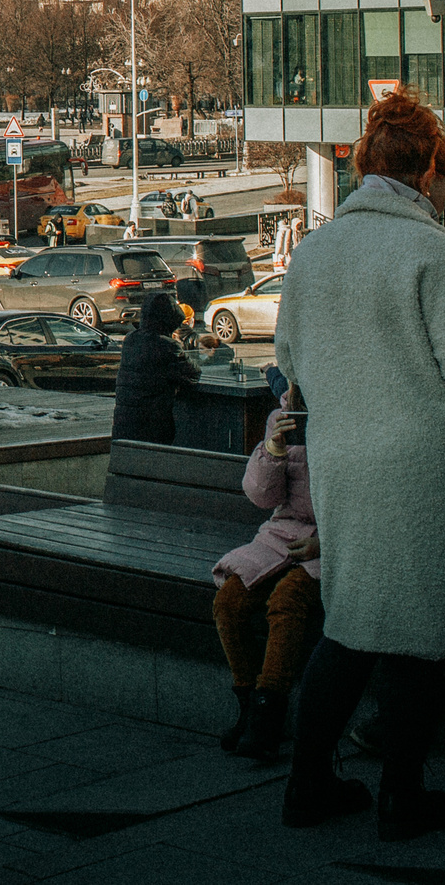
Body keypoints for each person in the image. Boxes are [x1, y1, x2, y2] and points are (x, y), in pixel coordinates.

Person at [273, 89, 445, 840]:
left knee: (350, 629)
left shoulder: (316, 249)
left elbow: (289, 359)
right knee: (424, 638)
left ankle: (308, 781)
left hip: (346, 466)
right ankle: (402, 796)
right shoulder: (430, 251)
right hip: (428, 474)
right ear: (423, 177)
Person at [212, 386, 322, 761]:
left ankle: (268, 713)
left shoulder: (353, 417)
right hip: (281, 534)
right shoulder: (282, 418)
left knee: (287, 600)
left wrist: (325, 544)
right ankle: (247, 704)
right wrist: (273, 450)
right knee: (229, 599)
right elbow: (262, 498)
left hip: (334, 540)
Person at [115, 292, 203, 446]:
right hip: (152, 425)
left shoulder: (131, 339)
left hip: (124, 422)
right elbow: (193, 373)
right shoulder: (167, 346)